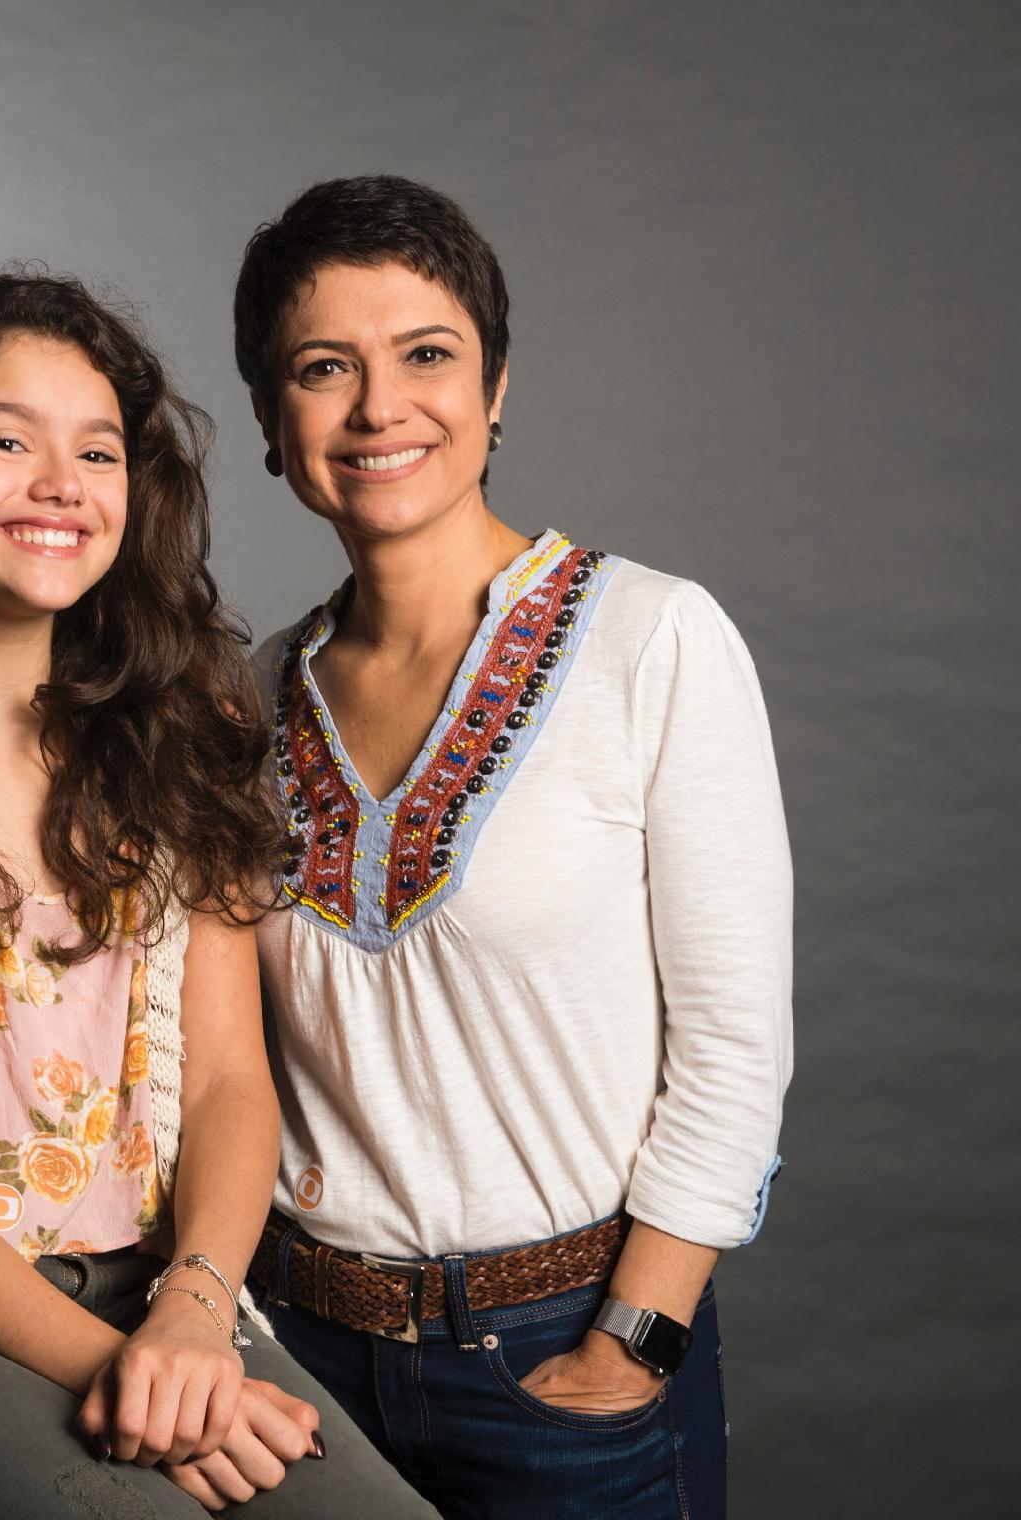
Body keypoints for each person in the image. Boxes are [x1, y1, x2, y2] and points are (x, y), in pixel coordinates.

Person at [0, 271, 437, 1519]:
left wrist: (197, 1317)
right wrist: (126, 1374)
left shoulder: (182, 740)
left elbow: (225, 1082)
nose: (61, 482)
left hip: (165, 1291)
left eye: (96, 449)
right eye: (9, 439)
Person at [230, 174, 794, 1518]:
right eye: (325, 368)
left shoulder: (651, 641)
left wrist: (637, 1336)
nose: (380, 408)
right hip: (300, 1366)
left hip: (563, 1354)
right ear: (270, 421)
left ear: (494, 390)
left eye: (427, 355)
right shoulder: (247, 701)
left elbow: (733, 1043)